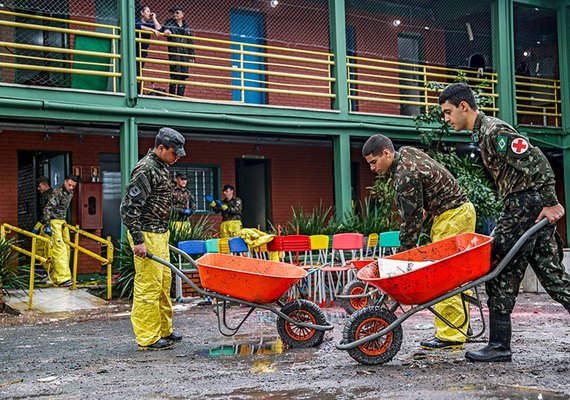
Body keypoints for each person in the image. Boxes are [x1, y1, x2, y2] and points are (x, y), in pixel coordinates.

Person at [438, 82, 570, 362]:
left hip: (524, 205)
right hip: (525, 204)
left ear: (464, 106)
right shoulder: (484, 134)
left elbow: (538, 163)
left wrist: (551, 202)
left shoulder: (495, 132)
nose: (447, 119)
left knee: (498, 269)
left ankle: (499, 345)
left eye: (448, 112)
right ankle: (498, 344)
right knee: (553, 277)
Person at [362, 134, 476, 350]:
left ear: (386, 153)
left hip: (452, 216)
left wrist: (403, 257)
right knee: (457, 275)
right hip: (455, 213)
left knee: (445, 277)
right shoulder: (405, 153)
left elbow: (412, 218)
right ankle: (461, 325)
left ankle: (451, 335)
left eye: (374, 162)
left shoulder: (405, 175)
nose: (373, 169)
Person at [120, 127, 186, 351]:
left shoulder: (162, 167)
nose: (176, 158)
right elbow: (129, 208)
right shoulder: (146, 169)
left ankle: (164, 329)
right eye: (174, 153)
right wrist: (138, 240)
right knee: (149, 286)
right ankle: (148, 337)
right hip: (146, 234)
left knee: (163, 283)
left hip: (159, 233)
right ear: (160, 148)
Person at [42, 174, 80, 287]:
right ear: (65, 182)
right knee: (59, 249)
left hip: (62, 222)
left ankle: (56, 275)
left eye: (73, 186)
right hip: (54, 222)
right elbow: (47, 208)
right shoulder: (58, 192)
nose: (71, 188)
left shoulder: (70, 193)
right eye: (69, 185)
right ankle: (63, 278)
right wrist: (47, 224)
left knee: (66, 249)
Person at [135, 6, 171, 92]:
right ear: (142, 13)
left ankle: (138, 91)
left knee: (139, 72)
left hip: (143, 51)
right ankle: (135, 90)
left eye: (150, 11)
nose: (149, 13)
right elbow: (137, 26)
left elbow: (159, 29)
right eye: (147, 11)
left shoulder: (149, 23)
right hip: (134, 50)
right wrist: (152, 30)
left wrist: (154, 18)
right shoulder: (136, 20)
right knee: (134, 71)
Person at [163, 6, 195, 97]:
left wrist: (191, 55)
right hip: (175, 53)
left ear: (182, 14)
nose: (175, 14)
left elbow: (190, 41)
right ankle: (172, 96)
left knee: (183, 75)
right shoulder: (169, 23)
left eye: (177, 12)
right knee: (174, 74)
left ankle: (180, 96)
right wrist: (166, 31)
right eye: (174, 13)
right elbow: (165, 29)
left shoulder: (186, 26)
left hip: (184, 54)